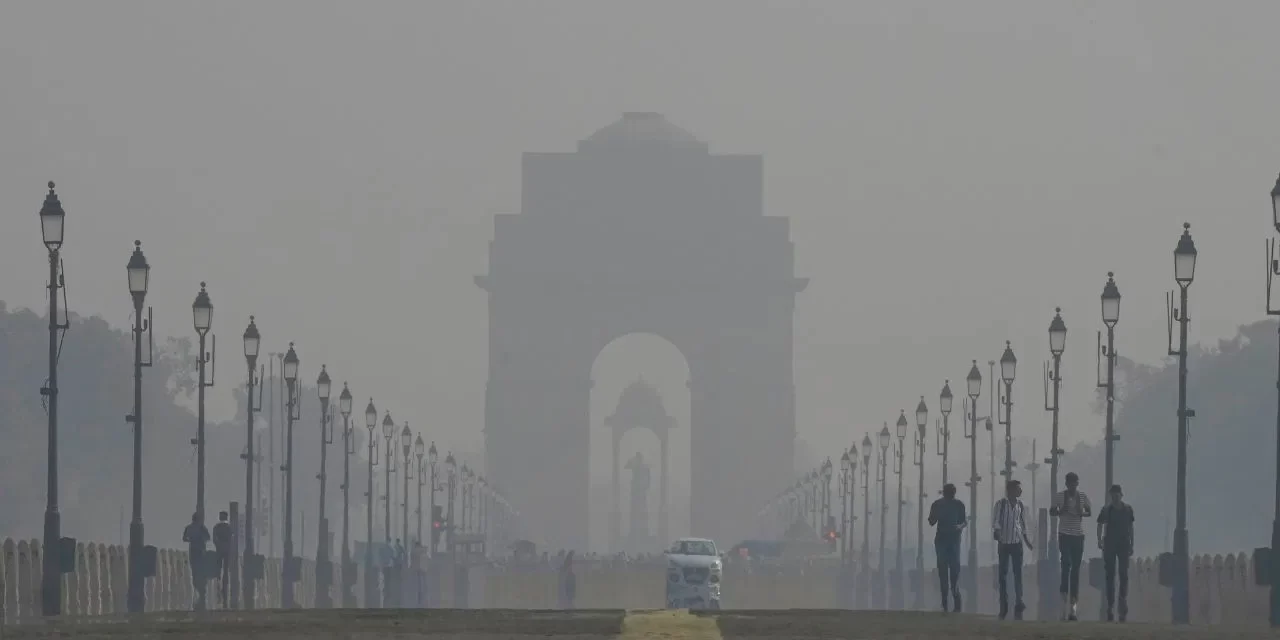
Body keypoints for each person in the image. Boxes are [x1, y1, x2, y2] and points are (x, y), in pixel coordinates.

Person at [1050, 471, 1091, 620]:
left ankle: (1073, 606)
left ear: (1077, 483)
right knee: (1066, 565)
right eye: (1071, 483)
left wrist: (1082, 513)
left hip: (1078, 536)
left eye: (1075, 483)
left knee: (1075, 570)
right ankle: (1063, 601)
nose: (1073, 486)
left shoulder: (1082, 496)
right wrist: (1061, 510)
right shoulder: (1060, 496)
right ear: (1067, 484)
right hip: (1065, 534)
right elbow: (1052, 512)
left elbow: (1089, 512)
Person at [992, 480, 1033, 620]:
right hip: (1004, 543)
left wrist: (1027, 541)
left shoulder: (1020, 505)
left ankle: (1019, 601)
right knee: (1002, 575)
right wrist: (997, 531)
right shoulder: (1001, 504)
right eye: (1017, 489)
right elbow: (996, 520)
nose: (1020, 492)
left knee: (1018, 573)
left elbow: (1022, 524)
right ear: (1010, 490)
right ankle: (1003, 603)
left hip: (1017, 543)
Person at [1097, 484, 1135, 622]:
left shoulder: (1127, 510)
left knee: (1123, 575)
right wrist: (1099, 539)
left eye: (1117, 495)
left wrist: (1132, 543)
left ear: (1121, 495)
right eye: (1113, 496)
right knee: (1110, 576)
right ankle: (1111, 605)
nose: (1115, 498)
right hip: (1110, 545)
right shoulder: (1107, 510)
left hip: (1123, 544)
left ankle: (1122, 604)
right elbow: (1100, 523)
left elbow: (1131, 527)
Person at [927, 483, 966, 613]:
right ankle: (946, 604)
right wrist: (936, 515)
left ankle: (955, 603)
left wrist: (959, 527)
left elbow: (964, 521)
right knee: (944, 572)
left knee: (953, 573)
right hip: (942, 541)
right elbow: (931, 521)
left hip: (953, 541)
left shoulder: (959, 505)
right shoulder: (937, 505)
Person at [182, 512, 211, 611]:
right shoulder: (202, 527)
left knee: (194, 572)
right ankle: (201, 595)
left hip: (193, 552)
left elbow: (184, 539)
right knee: (201, 572)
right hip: (201, 552)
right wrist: (200, 539)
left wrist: (191, 539)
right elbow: (208, 538)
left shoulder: (189, 528)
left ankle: (198, 594)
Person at [211, 511, 232, 609]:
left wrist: (218, 546)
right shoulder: (229, 527)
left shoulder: (217, 527)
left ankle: (219, 592)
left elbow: (214, 539)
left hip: (219, 551)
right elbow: (233, 539)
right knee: (226, 572)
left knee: (218, 572)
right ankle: (224, 592)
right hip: (227, 552)